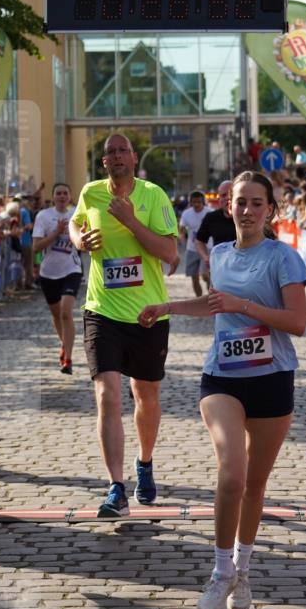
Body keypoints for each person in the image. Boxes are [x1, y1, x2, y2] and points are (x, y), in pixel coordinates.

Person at [139, 171, 306, 609]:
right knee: (232, 473)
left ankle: (243, 570)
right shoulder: (220, 252)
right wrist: (167, 308)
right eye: (240, 202)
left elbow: (297, 322)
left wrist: (245, 307)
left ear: (270, 210)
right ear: (227, 206)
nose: (248, 210)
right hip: (223, 377)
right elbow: (214, 305)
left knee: (254, 485)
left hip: (273, 378)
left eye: (257, 203)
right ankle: (219, 571)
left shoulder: (284, 258)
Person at [69, 133, 178, 517]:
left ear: (133, 158)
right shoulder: (91, 193)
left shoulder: (153, 195)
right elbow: (75, 224)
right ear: (104, 163)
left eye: (122, 150)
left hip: (147, 312)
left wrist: (131, 222)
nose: (116, 156)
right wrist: (80, 239)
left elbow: (169, 254)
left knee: (145, 396)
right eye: (109, 152)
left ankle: (144, 462)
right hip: (102, 309)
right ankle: (116, 487)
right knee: (107, 396)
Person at [32, 182, 83, 374]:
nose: (62, 196)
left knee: (65, 312)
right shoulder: (43, 216)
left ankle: (67, 358)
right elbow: (36, 247)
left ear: (70, 197)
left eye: (65, 193)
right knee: (56, 315)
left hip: (72, 269)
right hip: (49, 273)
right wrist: (55, 233)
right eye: (58, 193)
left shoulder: (77, 214)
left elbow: (83, 240)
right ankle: (64, 344)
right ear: (53, 197)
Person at [194, 180, 236, 269]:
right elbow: (199, 241)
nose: (228, 198)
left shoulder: (247, 216)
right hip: (219, 268)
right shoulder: (211, 217)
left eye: (231, 194)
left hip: (244, 268)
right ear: (219, 199)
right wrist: (206, 258)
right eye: (223, 195)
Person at [178, 190, 211, 297]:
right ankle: (199, 299)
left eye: (199, 202)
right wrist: (181, 236)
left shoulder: (209, 212)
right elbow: (182, 228)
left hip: (207, 248)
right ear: (190, 202)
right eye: (194, 202)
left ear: (203, 202)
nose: (196, 204)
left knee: (205, 275)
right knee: (194, 277)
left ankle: (210, 294)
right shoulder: (187, 213)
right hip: (192, 248)